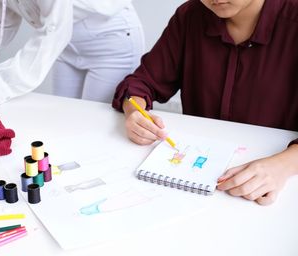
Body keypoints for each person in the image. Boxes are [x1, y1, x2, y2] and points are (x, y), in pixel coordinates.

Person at [112, 0, 298, 205]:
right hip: (194, 183)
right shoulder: (190, 15)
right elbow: (141, 83)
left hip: (272, 188)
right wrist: (134, 112)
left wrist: (284, 165)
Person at [0, 0, 144, 108]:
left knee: (96, 124)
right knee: (63, 118)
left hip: (111, 43)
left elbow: (54, 30)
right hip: (66, 47)